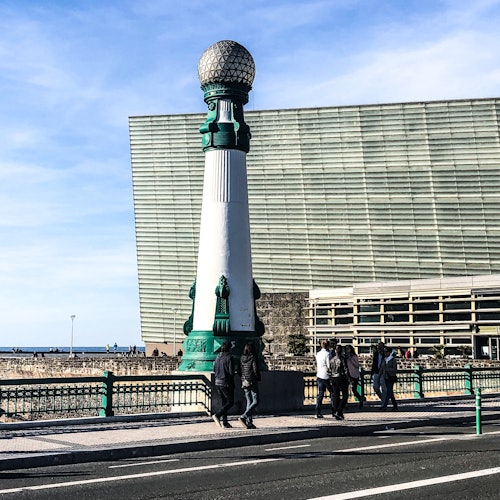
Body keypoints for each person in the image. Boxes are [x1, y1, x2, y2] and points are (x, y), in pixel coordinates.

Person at [212, 341, 235, 428]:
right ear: (229, 348)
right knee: (230, 402)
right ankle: (218, 415)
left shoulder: (217, 357)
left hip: (217, 381)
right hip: (226, 382)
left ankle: (225, 422)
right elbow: (231, 372)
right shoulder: (229, 357)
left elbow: (214, 369)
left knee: (223, 402)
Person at [238, 343, 261, 429]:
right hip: (252, 381)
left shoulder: (242, 358)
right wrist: (258, 377)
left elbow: (240, 370)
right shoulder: (253, 358)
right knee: (256, 401)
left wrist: (243, 378)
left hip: (244, 381)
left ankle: (249, 422)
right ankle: (244, 416)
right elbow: (255, 370)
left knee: (249, 401)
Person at [330, 344, 350, 420]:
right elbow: (345, 369)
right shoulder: (342, 359)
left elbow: (329, 370)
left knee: (336, 395)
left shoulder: (332, 360)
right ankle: (339, 410)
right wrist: (349, 379)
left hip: (333, 377)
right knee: (345, 395)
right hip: (340, 377)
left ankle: (336, 411)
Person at [315, 340, 334, 418]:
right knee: (332, 393)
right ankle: (333, 410)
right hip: (326, 375)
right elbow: (329, 365)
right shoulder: (327, 354)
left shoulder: (318, 354)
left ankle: (318, 411)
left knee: (320, 394)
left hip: (319, 374)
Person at [379, 346, 398, 410]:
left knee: (388, 392)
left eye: (386, 352)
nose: (385, 353)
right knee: (390, 392)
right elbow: (381, 368)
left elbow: (394, 369)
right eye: (384, 352)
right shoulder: (384, 359)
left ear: (390, 352)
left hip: (391, 377)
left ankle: (385, 405)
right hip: (385, 377)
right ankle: (395, 405)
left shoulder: (393, 359)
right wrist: (379, 376)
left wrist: (387, 369)